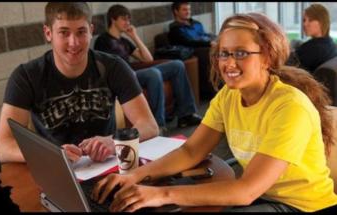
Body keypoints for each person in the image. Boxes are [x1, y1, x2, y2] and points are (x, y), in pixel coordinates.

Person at [91, 13, 337, 212]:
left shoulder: (289, 106)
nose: (228, 63)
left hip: (302, 206)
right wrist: (135, 176)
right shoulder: (229, 97)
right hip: (262, 197)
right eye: (223, 53)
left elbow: (246, 190)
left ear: (267, 57)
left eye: (241, 53)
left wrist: (160, 194)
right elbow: (191, 150)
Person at [0, 2, 159, 164]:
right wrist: (54, 154)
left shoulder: (114, 67)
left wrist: (113, 141)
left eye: (81, 32)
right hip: (57, 170)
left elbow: (149, 126)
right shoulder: (26, 76)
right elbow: (3, 147)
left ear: (91, 31)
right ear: (48, 33)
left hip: (107, 165)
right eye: (64, 33)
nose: (74, 42)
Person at [94, 4, 202, 132]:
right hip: (124, 77)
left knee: (177, 65)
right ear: (113, 19)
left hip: (134, 73)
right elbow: (103, 68)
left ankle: (186, 115)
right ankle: (158, 124)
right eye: (124, 19)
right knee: (153, 73)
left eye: (129, 19)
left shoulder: (124, 41)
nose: (127, 23)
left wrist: (134, 36)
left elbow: (148, 59)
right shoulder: (103, 40)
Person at [169, 2, 217, 99]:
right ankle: (212, 91)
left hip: (207, 46)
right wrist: (208, 43)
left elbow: (204, 35)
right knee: (209, 52)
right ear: (176, 12)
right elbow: (188, 42)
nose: (188, 12)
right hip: (194, 50)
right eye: (184, 9)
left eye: (189, 9)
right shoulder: (175, 29)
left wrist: (215, 39)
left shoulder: (196, 23)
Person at [289, 3, 337, 73]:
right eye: (304, 20)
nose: (304, 24)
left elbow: (290, 69)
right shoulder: (330, 43)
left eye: (310, 20)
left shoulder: (314, 48)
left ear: (322, 22)